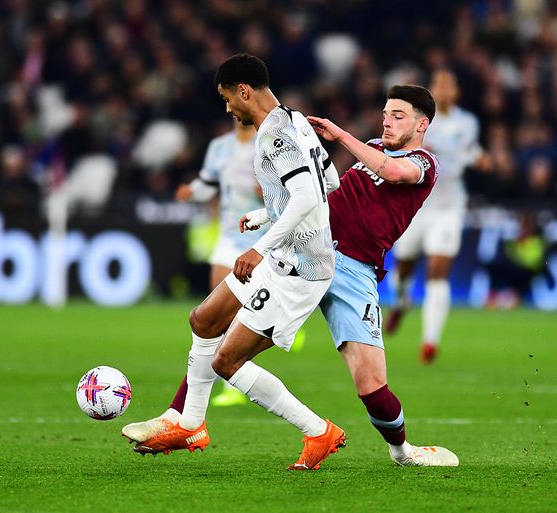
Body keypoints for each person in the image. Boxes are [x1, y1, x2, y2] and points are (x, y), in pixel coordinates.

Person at [125, 79, 459, 467]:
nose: (387, 122)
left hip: (354, 272)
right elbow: (326, 196)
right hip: (307, 252)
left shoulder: (424, 163)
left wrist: (340, 135)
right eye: (385, 114)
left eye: (398, 116)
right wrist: (268, 215)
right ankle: (182, 417)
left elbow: (396, 173)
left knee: (371, 385)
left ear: (422, 124)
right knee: (209, 323)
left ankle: (403, 452)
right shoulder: (373, 148)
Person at [124, 53, 346, 471]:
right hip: (283, 255)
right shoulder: (296, 120)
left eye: (227, 99)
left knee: (227, 361)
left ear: (244, 91)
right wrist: (267, 214)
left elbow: (306, 195)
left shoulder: (276, 135)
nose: (228, 109)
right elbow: (328, 181)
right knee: (204, 320)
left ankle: (319, 430)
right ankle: (190, 423)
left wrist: (258, 247)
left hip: (299, 269)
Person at [386, 68, 489, 364]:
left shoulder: (467, 123)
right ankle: (402, 301)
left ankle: (430, 341)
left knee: (437, 272)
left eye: (448, 85)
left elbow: (468, 151)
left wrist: (480, 159)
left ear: (456, 92)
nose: (443, 91)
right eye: (438, 86)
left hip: (448, 208)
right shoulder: (418, 121)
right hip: (416, 206)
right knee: (404, 267)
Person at [175, 119, 265, 408]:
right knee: (219, 311)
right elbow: (208, 184)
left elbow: (286, 190)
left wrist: (265, 191)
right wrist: (192, 192)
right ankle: (231, 382)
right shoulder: (220, 147)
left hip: (261, 237)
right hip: (229, 236)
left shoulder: (267, 144)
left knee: (249, 310)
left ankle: (234, 367)